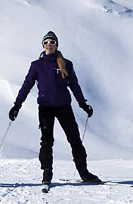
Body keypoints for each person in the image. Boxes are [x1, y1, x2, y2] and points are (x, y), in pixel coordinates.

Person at [9, 31, 101, 186]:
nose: (49, 45)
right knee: (46, 141)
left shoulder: (66, 64)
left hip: (63, 106)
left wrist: (83, 104)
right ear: (43, 45)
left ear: (57, 45)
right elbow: (26, 86)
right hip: (45, 107)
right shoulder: (37, 65)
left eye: (52, 42)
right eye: (46, 42)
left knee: (74, 139)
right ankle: (47, 173)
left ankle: (84, 172)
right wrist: (17, 105)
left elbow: (74, 86)